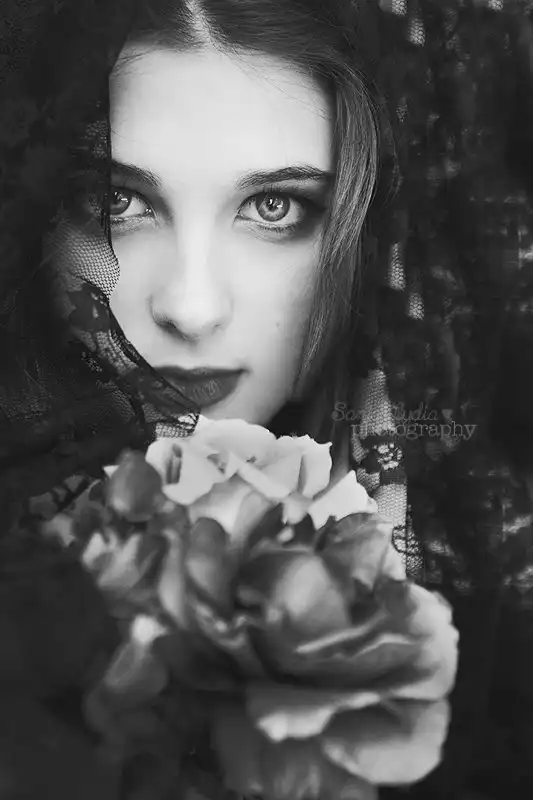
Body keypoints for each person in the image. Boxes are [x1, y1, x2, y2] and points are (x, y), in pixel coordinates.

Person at [1, 0, 533, 798]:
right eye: (115, 203)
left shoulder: (490, 607)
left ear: (367, 233)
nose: (191, 307)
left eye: (273, 207)